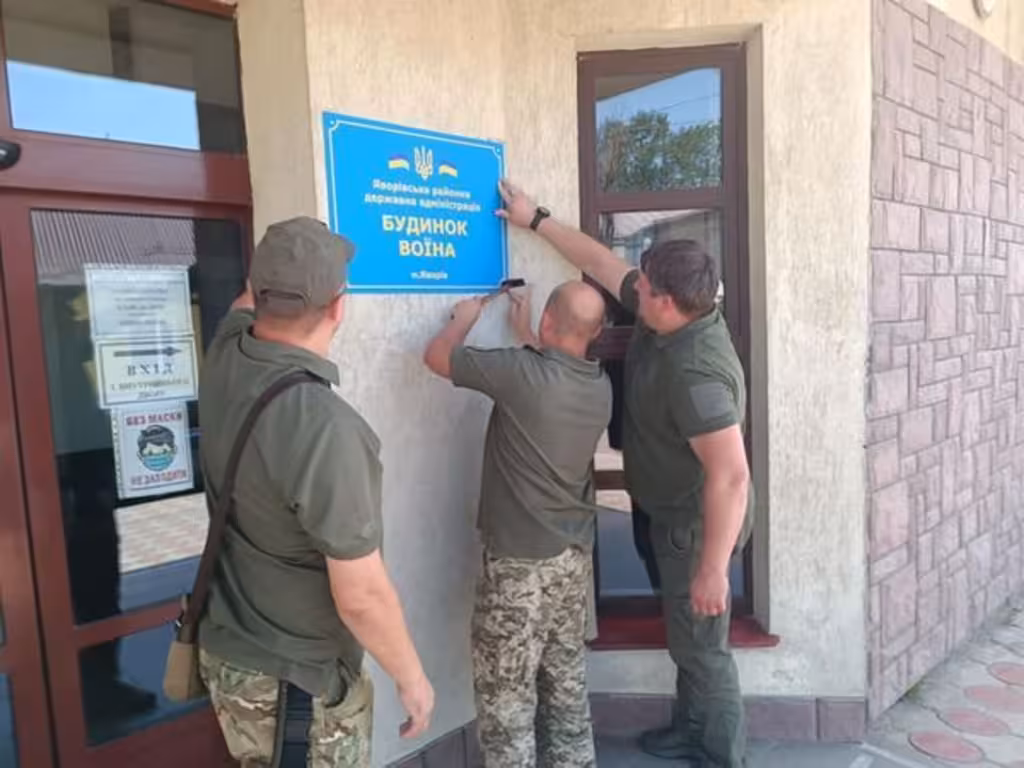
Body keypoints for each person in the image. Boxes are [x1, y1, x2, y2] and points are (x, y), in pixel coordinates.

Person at [496, 181, 754, 768]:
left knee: (704, 647)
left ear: (668, 301)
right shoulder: (670, 309)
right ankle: (690, 730)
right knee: (687, 637)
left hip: (695, 526)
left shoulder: (698, 371)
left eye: (645, 287)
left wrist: (713, 569)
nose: (633, 289)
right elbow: (597, 259)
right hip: (664, 511)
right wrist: (534, 219)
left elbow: (732, 476)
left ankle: (723, 755)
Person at [197, 216, 434, 767]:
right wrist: (412, 679)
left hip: (229, 656)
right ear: (338, 307)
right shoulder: (326, 428)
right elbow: (361, 596)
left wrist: (275, 267)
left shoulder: (225, 354)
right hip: (294, 685)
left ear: (257, 293)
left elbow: (241, 306)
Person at [423, 281, 612, 768]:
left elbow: (437, 358)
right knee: (566, 687)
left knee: (507, 703)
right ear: (594, 333)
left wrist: (463, 319)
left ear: (549, 322)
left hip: (519, 569)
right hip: (571, 562)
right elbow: (549, 369)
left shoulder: (522, 373)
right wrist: (527, 331)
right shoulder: (599, 385)